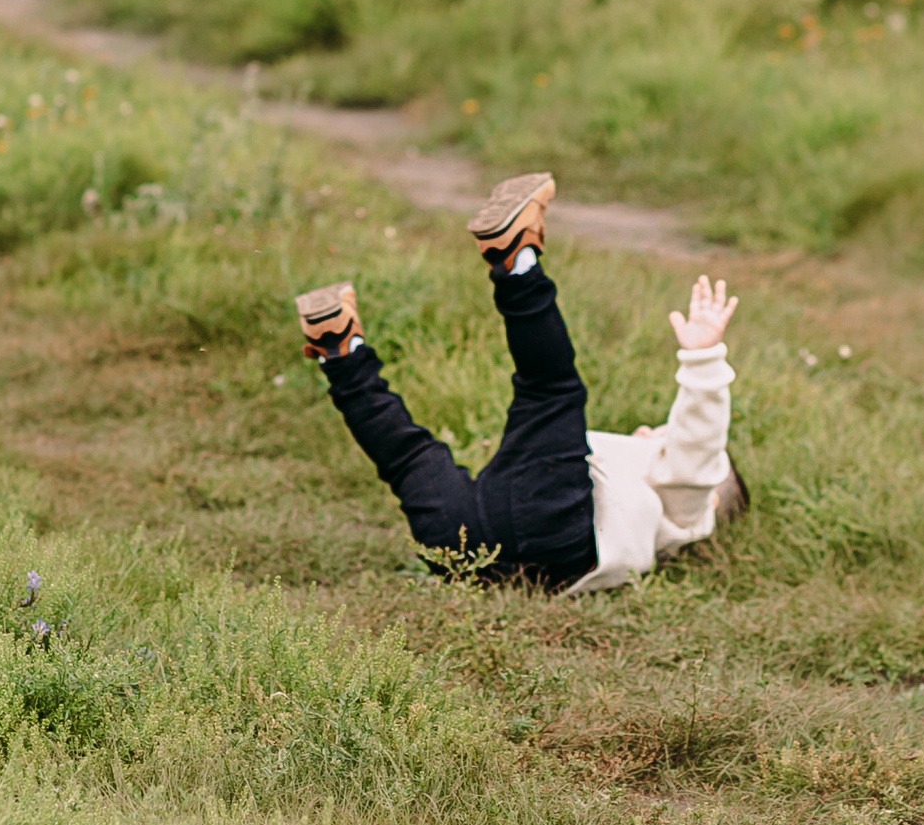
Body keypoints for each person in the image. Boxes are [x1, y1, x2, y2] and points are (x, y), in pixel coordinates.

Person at [294, 172, 743, 593]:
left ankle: (516, 259)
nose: (652, 431)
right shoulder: (650, 515)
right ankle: (340, 350)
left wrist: (703, 359)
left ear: (712, 497)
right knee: (408, 459)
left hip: (555, 527)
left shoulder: (689, 509)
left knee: (551, 389)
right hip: (466, 555)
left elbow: (697, 448)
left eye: (663, 435)